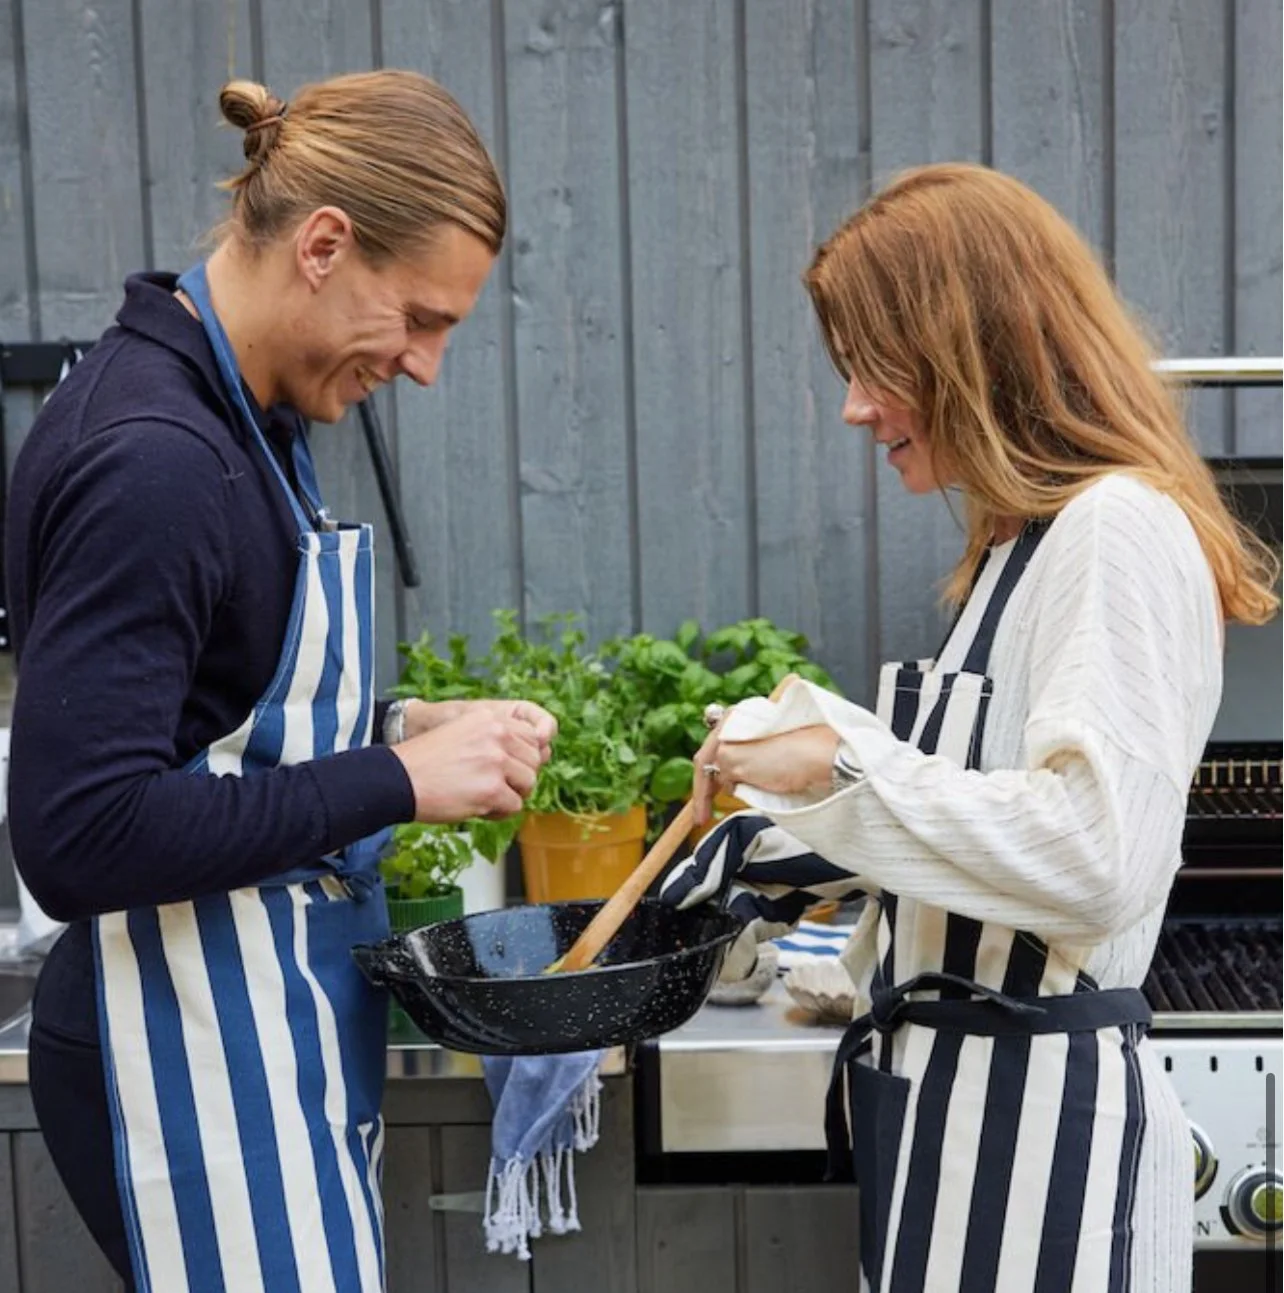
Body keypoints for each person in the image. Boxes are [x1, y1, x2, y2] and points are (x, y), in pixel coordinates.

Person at [669, 163, 1278, 1293]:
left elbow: (1091, 857)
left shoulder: (1117, 531)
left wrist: (842, 764)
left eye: (871, 368)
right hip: (955, 1117)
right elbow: (978, 824)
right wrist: (784, 819)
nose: (853, 408)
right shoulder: (1018, 548)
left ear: (972, 351)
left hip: (1041, 1132)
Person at [5, 71, 556, 1292]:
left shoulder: (246, 412)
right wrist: (395, 777)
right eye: (418, 319)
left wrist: (400, 724)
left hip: (255, 1027)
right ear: (322, 245)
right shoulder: (156, 461)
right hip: (179, 1053)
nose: (424, 367)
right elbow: (80, 834)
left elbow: (208, 721)